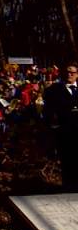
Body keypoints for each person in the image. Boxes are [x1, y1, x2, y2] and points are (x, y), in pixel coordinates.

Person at [44, 62, 78, 191]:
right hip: (65, 131)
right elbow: (49, 111)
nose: (69, 75)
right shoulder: (54, 90)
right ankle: (69, 187)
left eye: (72, 72)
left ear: (77, 75)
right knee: (68, 160)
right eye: (67, 72)